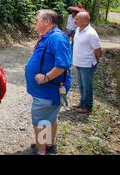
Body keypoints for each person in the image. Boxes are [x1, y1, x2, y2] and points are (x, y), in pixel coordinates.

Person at [25, 9, 72, 155]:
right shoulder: (48, 36)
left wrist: (45, 77)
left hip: (47, 90)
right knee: (50, 118)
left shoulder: (57, 38)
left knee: (40, 120)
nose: (35, 22)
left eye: (37, 19)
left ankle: (41, 151)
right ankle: (49, 145)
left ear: (47, 22)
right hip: (45, 90)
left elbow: (62, 65)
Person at [72, 11, 102, 114]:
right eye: (75, 18)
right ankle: (82, 103)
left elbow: (98, 50)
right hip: (78, 63)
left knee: (87, 86)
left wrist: (97, 60)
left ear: (85, 21)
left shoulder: (91, 33)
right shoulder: (78, 30)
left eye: (77, 19)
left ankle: (88, 106)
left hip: (87, 64)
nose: (74, 21)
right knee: (81, 85)